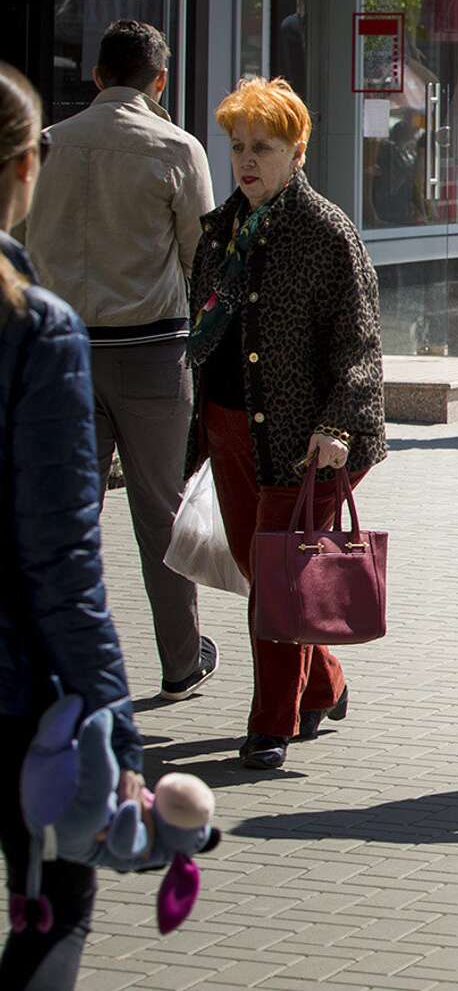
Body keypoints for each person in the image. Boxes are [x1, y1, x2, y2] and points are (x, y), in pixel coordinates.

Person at [186, 78, 385, 771]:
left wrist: (336, 425)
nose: (246, 160)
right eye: (237, 146)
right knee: (263, 568)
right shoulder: (222, 231)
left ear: (296, 151)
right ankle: (324, 681)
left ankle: (271, 723)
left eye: (262, 148)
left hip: (308, 442)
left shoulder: (326, 231)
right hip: (230, 427)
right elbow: (208, 332)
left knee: (276, 582)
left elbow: (361, 345)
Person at [1, 61, 145, 991]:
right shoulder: (35, 329)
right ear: (26, 166)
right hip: (16, 688)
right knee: (54, 908)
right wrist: (114, 719)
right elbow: (62, 555)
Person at [22, 18, 217, 701]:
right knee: (161, 512)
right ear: (159, 81)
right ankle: (180, 660)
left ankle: (53, 660)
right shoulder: (177, 148)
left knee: (63, 512)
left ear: (98, 76)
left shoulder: (46, 145)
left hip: (58, 351)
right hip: (153, 353)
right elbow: (202, 261)